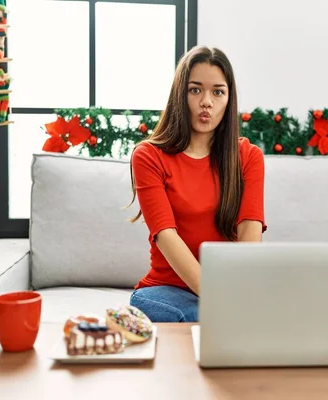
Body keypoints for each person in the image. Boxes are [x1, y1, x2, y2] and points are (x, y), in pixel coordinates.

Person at [126, 45, 267, 323]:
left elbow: (250, 236)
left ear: (229, 100)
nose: (206, 102)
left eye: (217, 92)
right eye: (195, 90)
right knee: (200, 315)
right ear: (181, 95)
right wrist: (222, 299)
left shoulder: (249, 157)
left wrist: (237, 295)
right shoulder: (148, 156)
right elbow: (166, 237)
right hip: (165, 291)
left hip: (229, 289)